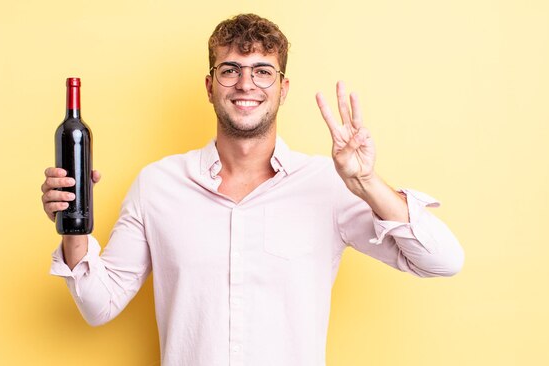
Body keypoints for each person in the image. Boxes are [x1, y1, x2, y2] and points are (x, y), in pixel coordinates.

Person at [41, 13, 464, 366]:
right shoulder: (157, 186)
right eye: (230, 70)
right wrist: (74, 226)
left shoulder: (328, 187)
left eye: (263, 71)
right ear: (210, 87)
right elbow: (99, 305)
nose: (246, 85)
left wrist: (366, 184)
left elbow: (442, 261)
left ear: (282, 89)